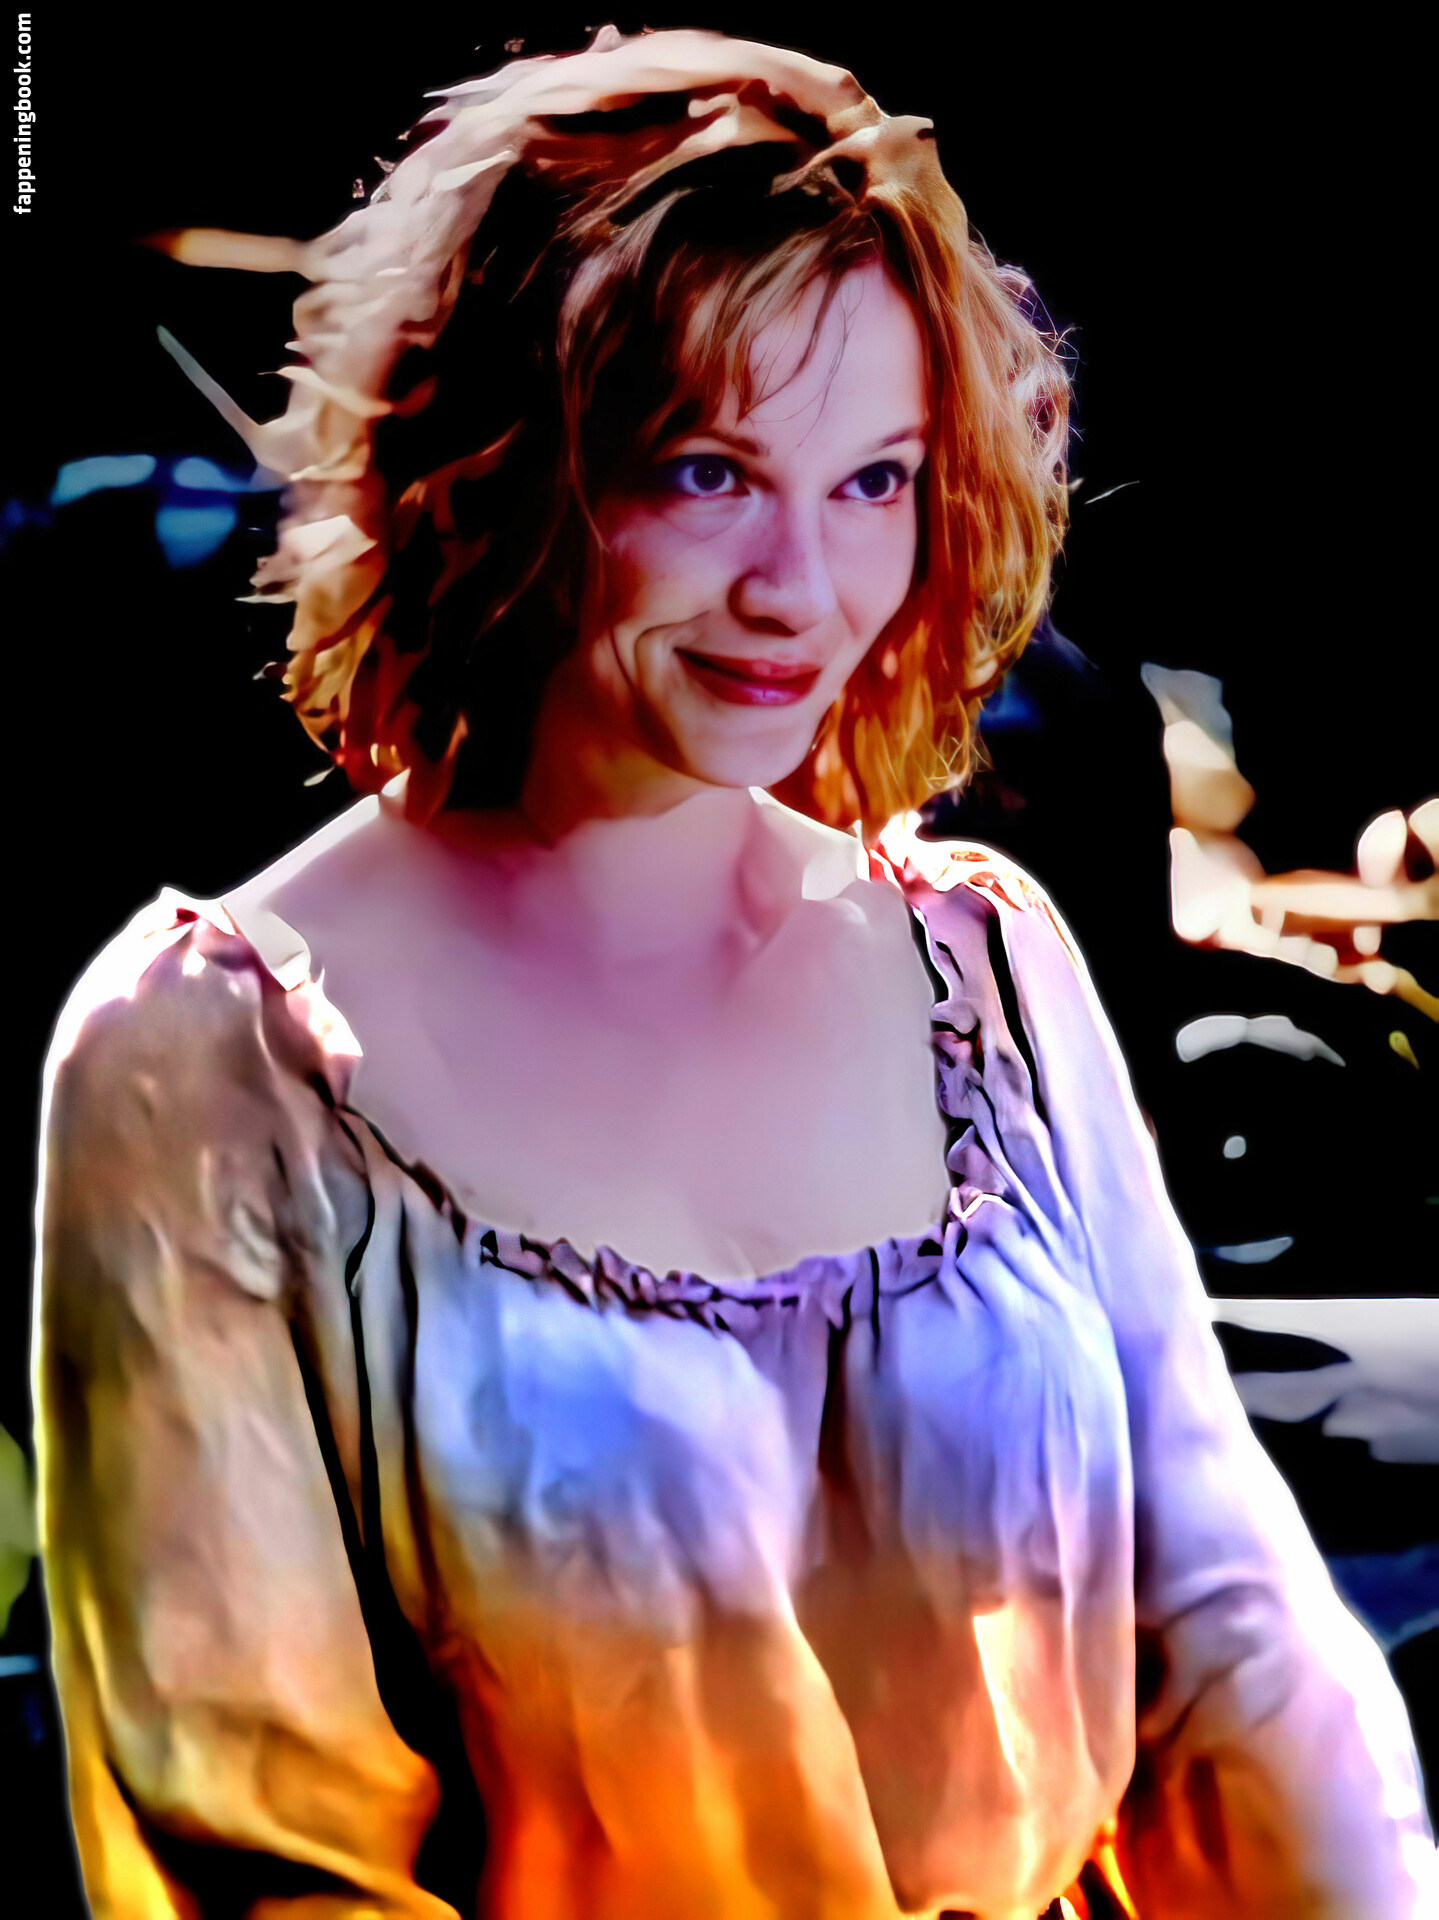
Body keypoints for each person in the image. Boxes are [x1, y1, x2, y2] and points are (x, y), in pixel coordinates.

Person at [32, 27, 1435, 1919]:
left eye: (873, 481)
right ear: (495, 466)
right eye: (708, 472)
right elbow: (258, 1853)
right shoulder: (204, 1067)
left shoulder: (984, 967)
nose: (802, 589)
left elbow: (1237, 1639)